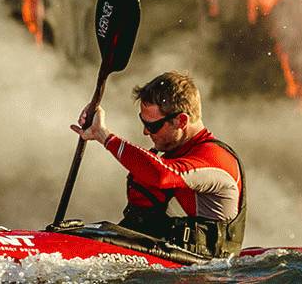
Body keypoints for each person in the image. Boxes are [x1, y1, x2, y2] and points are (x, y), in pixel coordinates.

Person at [70, 71, 245, 257]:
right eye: (143, 122)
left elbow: (163, 176)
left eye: (153, 126)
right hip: (165, 260)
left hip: (204, 271)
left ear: (181, 120)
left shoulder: (216, 159)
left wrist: (103, 136)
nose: (146, 132)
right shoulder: (173, 153)